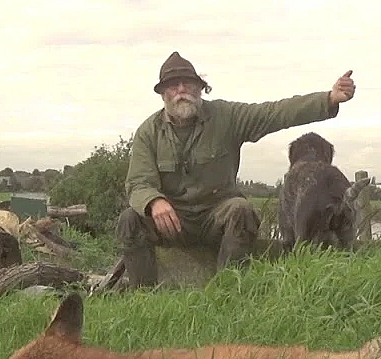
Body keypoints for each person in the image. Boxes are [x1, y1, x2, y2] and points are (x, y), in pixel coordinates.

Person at [117, 51, 357, 287]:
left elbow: (274, 113)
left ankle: (228, 291)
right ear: (163, 94)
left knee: (241, 210)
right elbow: (138, 183)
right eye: (173, 85)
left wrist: (328, 99)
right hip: (173, 223)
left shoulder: (226, 117)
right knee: (130, 220)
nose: (181, 90)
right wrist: (154, 202)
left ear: (200, 88)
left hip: (216, 218)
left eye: (187, 83)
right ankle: (143, 294)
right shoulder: (148, 132)